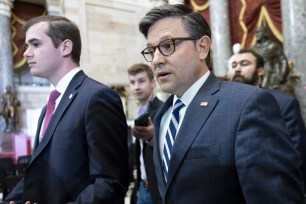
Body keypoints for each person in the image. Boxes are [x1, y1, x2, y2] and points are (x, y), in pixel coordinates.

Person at [138, 4, 304, 203]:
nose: (156, 60)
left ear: (202, 47)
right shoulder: (163, 116)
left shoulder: (247, 105)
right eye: (151, 50)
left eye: (167, 46)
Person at [5, 15, 129, 204]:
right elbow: (39, 171)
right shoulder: (51, 104)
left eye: (35, 44)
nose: (25, 53)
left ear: (65, 47)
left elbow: (110, 183)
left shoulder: (96, 97)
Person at [228, 48, 306, 188]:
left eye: (244, 64)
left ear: (260, 71)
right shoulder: (219, 104)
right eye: (234, 65)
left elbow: (297, 154)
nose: (237, 69)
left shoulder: (283, 103)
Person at [127, 63, 163, 204]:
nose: (136, 87)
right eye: (132, 82)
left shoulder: (162, 110)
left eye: (141, 81)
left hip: (158, 188)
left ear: (153, 82)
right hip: (142, 186)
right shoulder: (139, 112)